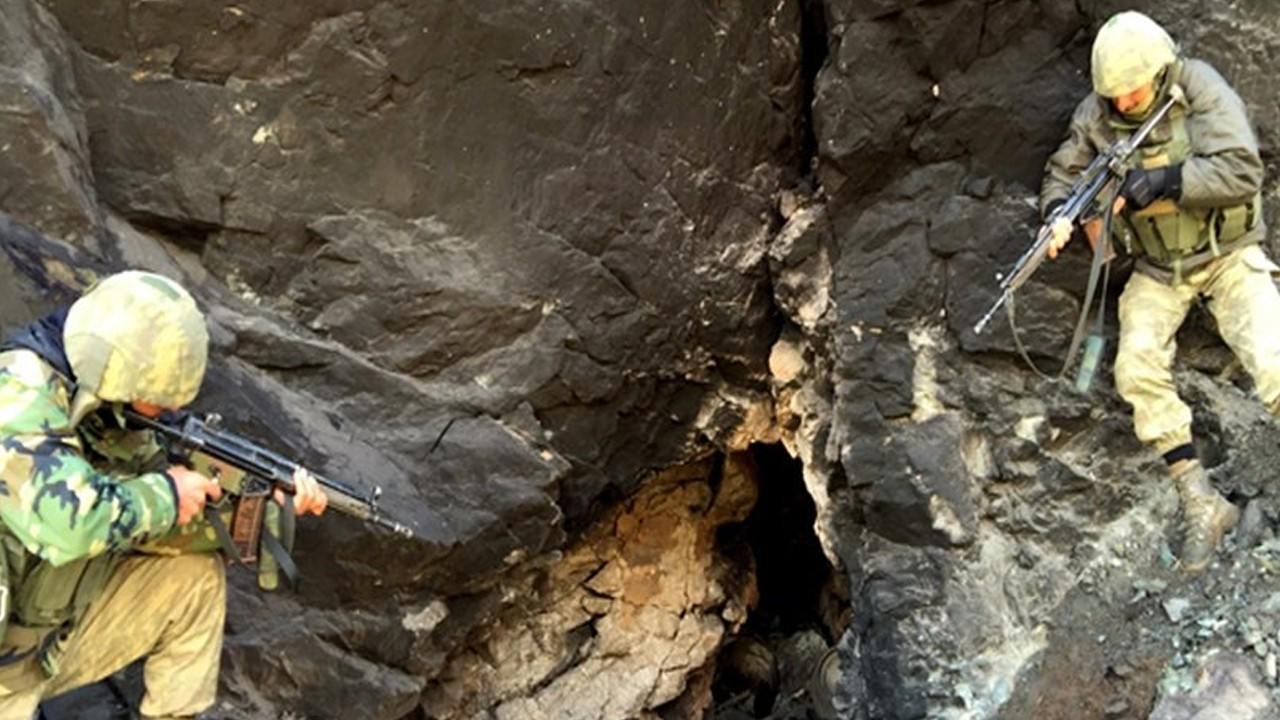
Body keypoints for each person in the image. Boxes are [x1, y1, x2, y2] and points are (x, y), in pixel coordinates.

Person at [0, 270, 328, 719]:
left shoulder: (108, 408)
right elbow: (70, 526)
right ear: (116, 369)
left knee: (194, 582)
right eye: (158, 396)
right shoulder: (16, 394)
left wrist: (259, 505)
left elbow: (152, 531)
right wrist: (167, 495)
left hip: (40, 645)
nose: (171, 410)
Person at [1040, 11, 1278, 572]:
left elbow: (1243, 171)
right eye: (1114, 96)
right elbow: (1063, 170)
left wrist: (1166, 182)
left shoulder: (1197, 88)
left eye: (1133, 92)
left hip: (1227, 253)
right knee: (1135, 370)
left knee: (1273, 359)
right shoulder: (1097, 114)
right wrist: (1058, 213)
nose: (1123, 105)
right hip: (1158, 268)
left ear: (1159, 70)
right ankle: (1201, 501)